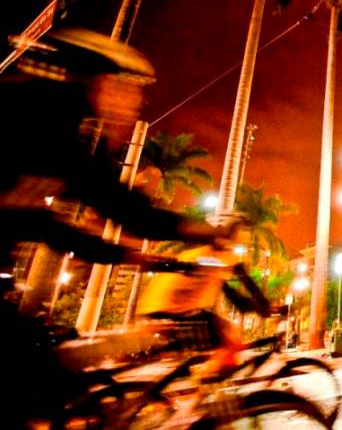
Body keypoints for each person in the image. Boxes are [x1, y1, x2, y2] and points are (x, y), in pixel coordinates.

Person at [0, 29, 227, 425]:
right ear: (93, 79)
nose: (131, 102)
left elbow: (47, 226)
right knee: (41, 387)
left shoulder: (44, 121)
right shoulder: (43, 120)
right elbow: (119, 206)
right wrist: (202, 232)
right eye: (123, 87)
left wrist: (132, 256)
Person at [136, 221, 269, 375]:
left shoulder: (214, 257)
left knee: (226, 336)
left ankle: (202, 381)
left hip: (166, 310)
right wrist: (262, 304)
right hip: (170, 311)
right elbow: (243, 281)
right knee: (228, 342)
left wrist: (257, 305)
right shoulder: (211, 258)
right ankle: (205, 385)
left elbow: (231, 292)